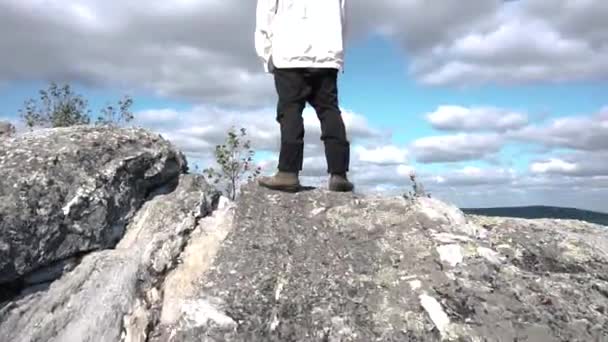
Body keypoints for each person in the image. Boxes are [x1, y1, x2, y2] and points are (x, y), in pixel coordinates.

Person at [254, 0, 354, 192]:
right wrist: (337, 55)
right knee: (329, 111)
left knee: (290, 111)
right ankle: (339, 174)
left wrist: (267, 56)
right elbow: (343, 18)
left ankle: (288, 173)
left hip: (288, 53)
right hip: (326, 54)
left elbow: (264, 16)